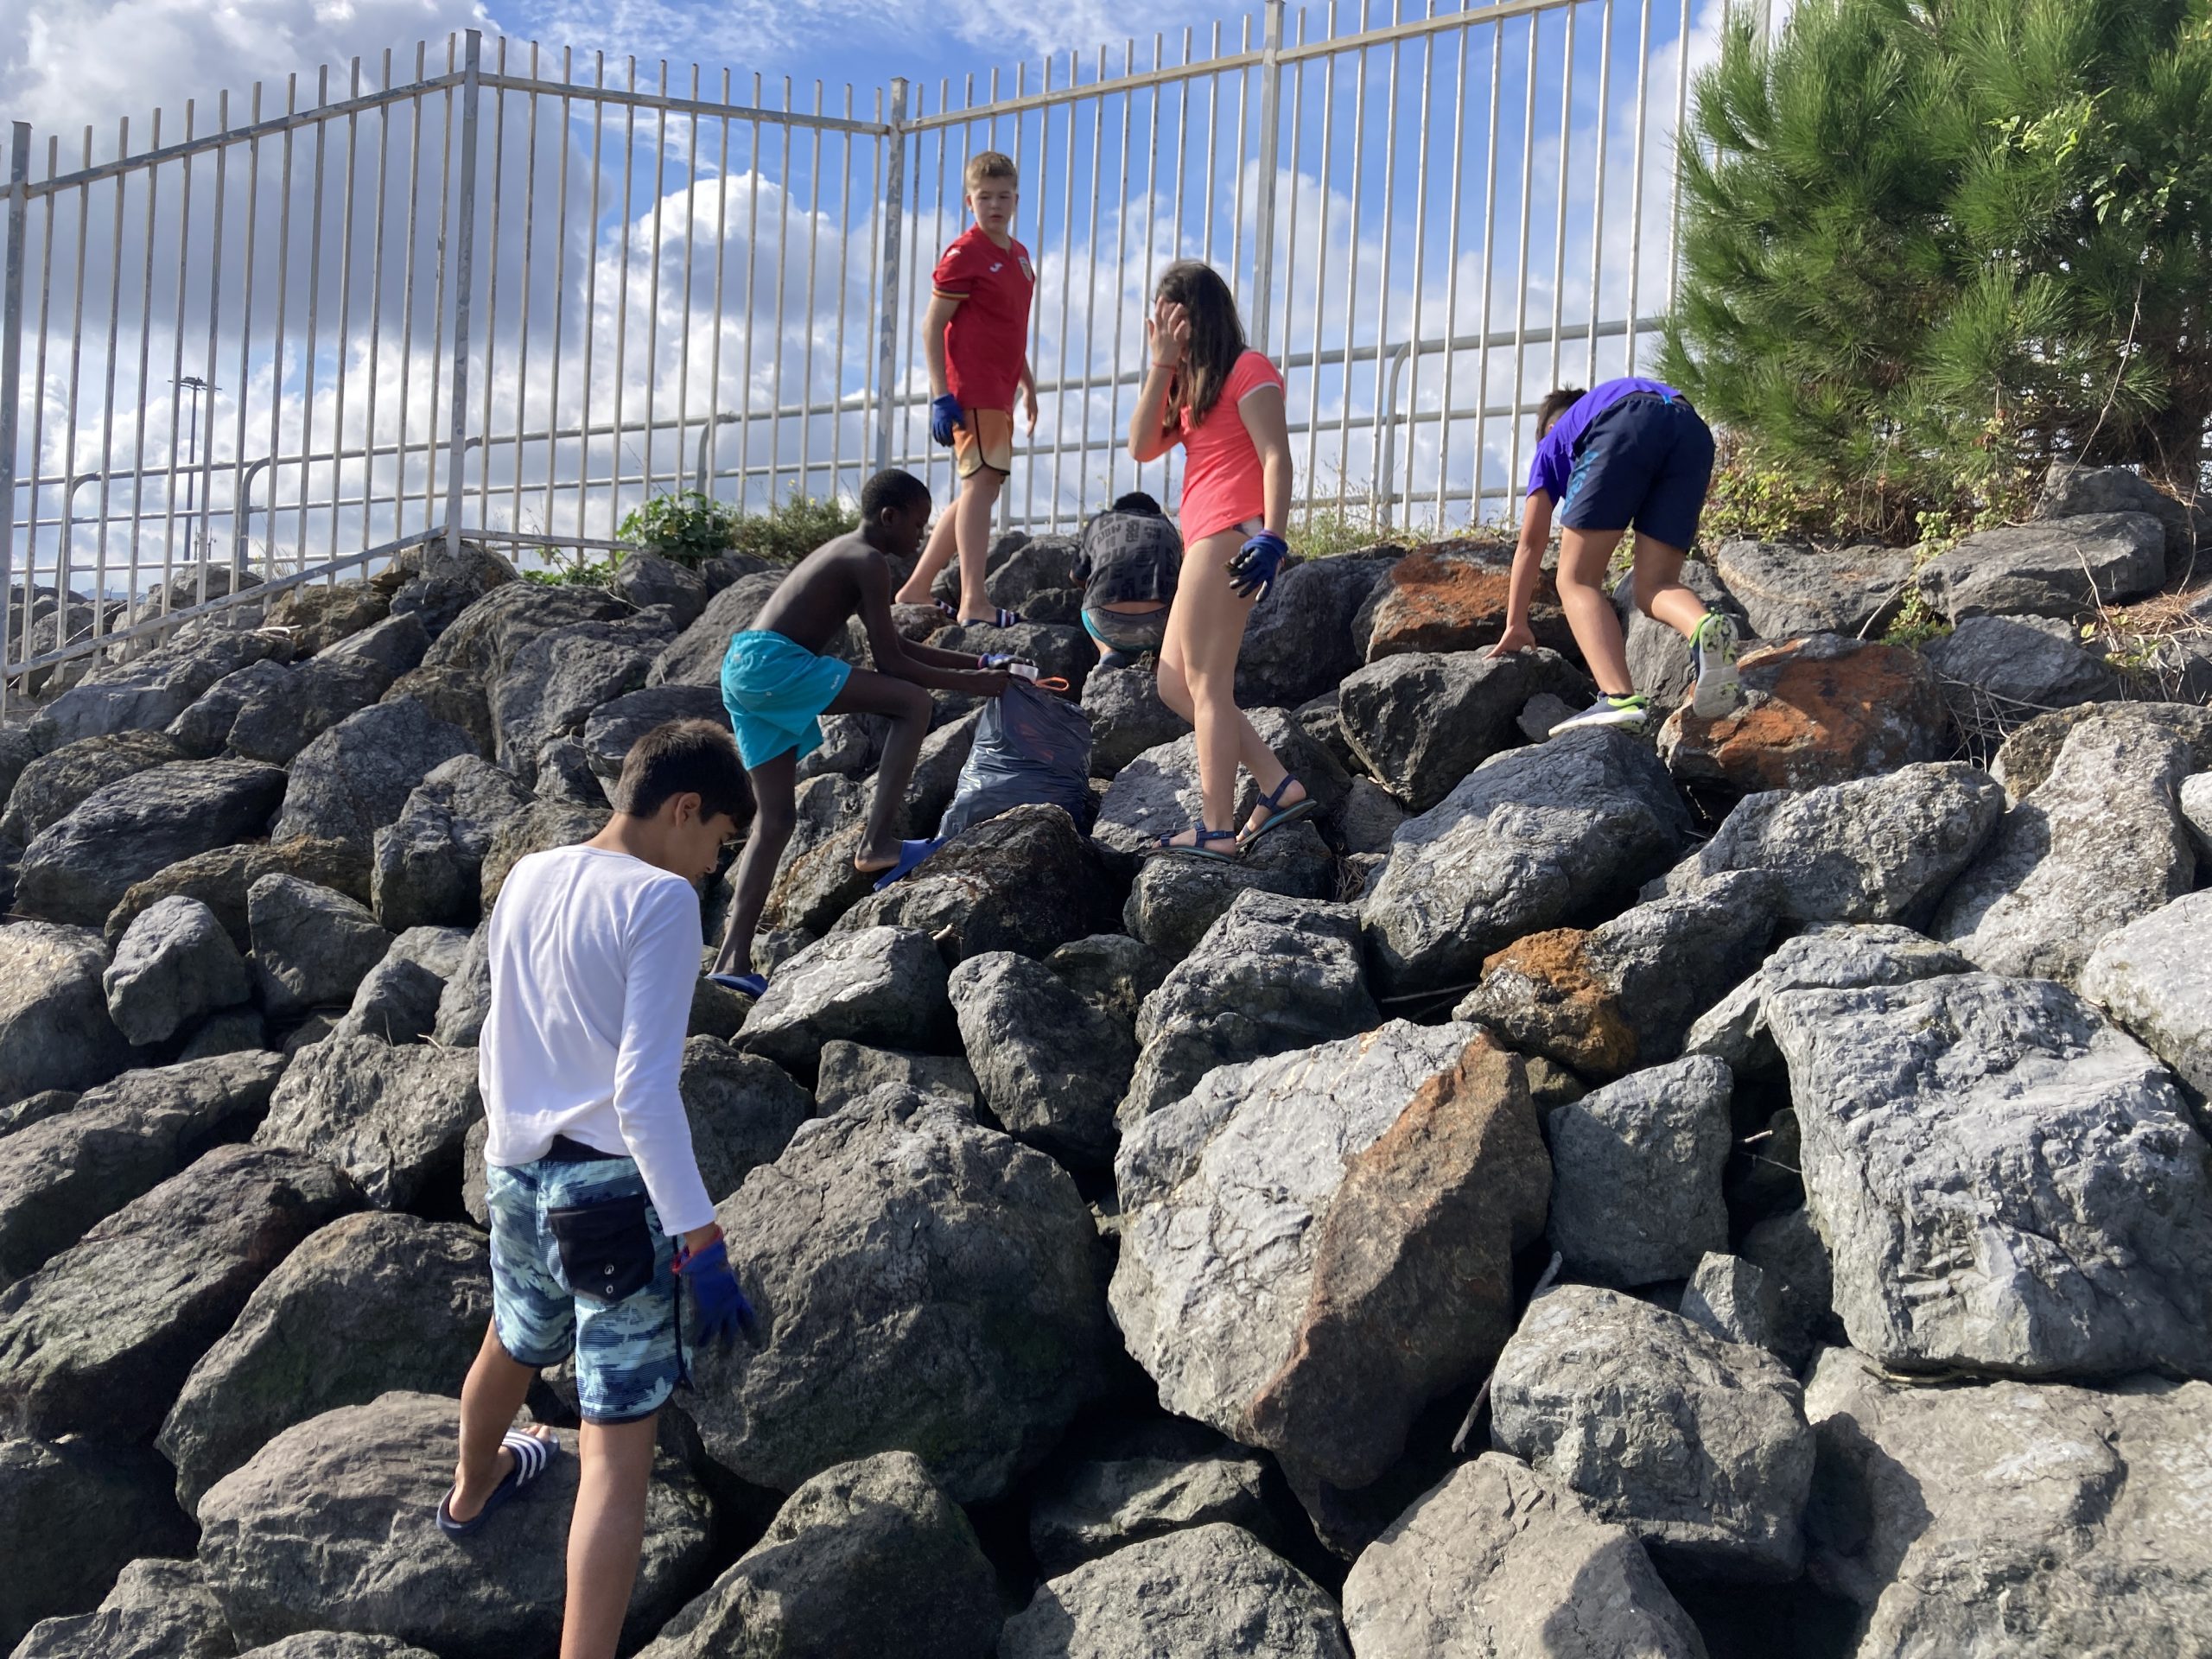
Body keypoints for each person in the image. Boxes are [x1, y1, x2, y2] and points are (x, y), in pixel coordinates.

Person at [439, 718, 758, 1659]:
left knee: (514, 1336)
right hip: (611, 1202)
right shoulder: (662, 902)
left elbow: (496, 1035)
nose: (714, 866)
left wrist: (509, 1149)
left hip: (516, 1169)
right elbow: (642, 1095)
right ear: (684, 808)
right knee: (616, 1452)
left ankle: (471, 1491)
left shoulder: (530, 873)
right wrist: (700, 1237)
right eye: (720, 842)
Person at [709, 467, 1018, 995]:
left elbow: (897, 647)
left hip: (744, 668)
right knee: (913, 704)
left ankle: (731, 961)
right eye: (918, 524)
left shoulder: (850, 554)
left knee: (776, 820)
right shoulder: (869, 561)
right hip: (773, 664)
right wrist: (977, 686)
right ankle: (876, 843)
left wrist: (978, 662)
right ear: (888, 517)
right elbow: (892, 664)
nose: (923, 535)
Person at [1126, 260, 1314, 861]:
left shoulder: (1247, 368)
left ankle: (1215, 828)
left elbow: (1276, 455)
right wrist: (1161, 364)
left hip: (1233, 535)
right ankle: (1276, 785)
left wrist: (1274, 536)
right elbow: (1140, 446)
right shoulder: (1190, 387)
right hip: (1202, 537)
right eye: (1158, 321)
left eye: (1171, 318)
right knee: (1173, 682)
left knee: (1207, 682)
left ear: (1196, 316)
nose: (1163, 329)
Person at [1490, 377, 1740, 734]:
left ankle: (1619, 697)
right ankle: (1702, 628)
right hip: (1691, 430)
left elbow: (1531, 543)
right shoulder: (1609, 401)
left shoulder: (1551, 443)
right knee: (1654, 586)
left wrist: (1516, 623)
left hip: (1623, 424)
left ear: (1551, 427)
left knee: (1576, 580)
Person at [892, 149, 1039, 628]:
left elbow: (1010, 327)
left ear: (1016, 199)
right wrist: (941, 395)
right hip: (971, 388)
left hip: (1000, 389)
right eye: (985, 197)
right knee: (980, 484)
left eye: (1003, 196)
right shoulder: (963, 254)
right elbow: (932, 325)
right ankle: (973, 598)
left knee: (982, 486)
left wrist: (1027, 383)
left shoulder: (1020, 257)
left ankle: (917, 587)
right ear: (969, 201)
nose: (994, 205)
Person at [1072, 491, 1182, 668]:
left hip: (1103, 622)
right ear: (1156, 514)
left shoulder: (1098, 523)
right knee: (1175, 606)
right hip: (1158, 624)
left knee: (1089, 600)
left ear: (1116, 510)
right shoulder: (1168, 529)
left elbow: (1076, 575)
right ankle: (1160, 662)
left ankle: (1107, 651)